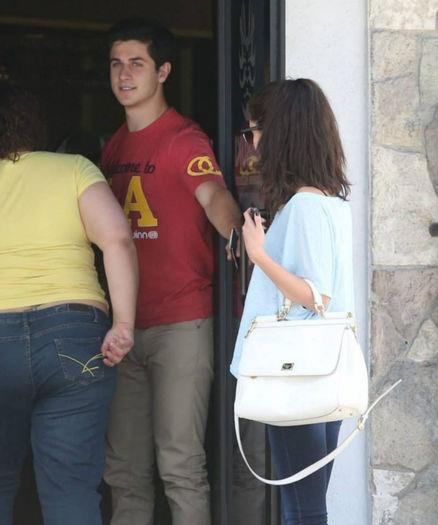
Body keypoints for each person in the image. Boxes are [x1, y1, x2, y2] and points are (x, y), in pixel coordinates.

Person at [101, 18, 241, 525]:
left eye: (136, 63)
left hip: (182, 321)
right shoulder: (114, 146)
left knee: (181, 466)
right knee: (124, 473)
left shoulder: (184, 139)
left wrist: (240, 236)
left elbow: (216, 197)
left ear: (162, 71)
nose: (124, 74)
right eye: (116, 63)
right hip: (124, 327)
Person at [0, 83, 138, 525]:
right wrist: (123, 324)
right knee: (71, 490)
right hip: (74, 338)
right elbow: (116, 238)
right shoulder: (74, 169)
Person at [230, 78, 354, 525]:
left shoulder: (304, 206)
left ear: (280, 132)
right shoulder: (331, 202)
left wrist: (259, 254)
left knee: (303, 508)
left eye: (256, 130)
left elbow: (314, 293)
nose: (253, 142)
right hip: (321, 365)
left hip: (298, 370)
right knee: (306, 502)